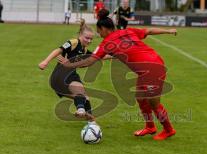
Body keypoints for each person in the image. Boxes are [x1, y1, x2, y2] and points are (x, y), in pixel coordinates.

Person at [58, 9, 177, 141]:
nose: (99, 34)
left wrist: (69, 64)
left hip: (152, 70)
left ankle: (168, 130)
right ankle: (150, 127)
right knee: (141, 99)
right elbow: (148, 31)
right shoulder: (127, 31)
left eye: (99, 31)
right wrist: (168, 30)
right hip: (150, 66)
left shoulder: (106, 43)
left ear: (103, 28)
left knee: (154, 104)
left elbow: (91, 60)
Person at [39, 20, 95, 121]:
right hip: (60, 76)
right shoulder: (73, 42)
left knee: (85, 98)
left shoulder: (84, 50)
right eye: (87, 38)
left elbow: (97, 57)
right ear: (80, 35)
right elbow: (58, 50)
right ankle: (83, 112)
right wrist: (45, 61)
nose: (89, 41)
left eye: (91, 39)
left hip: (70, 76)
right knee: (81, 95)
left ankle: (91, 122)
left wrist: (116, 55)